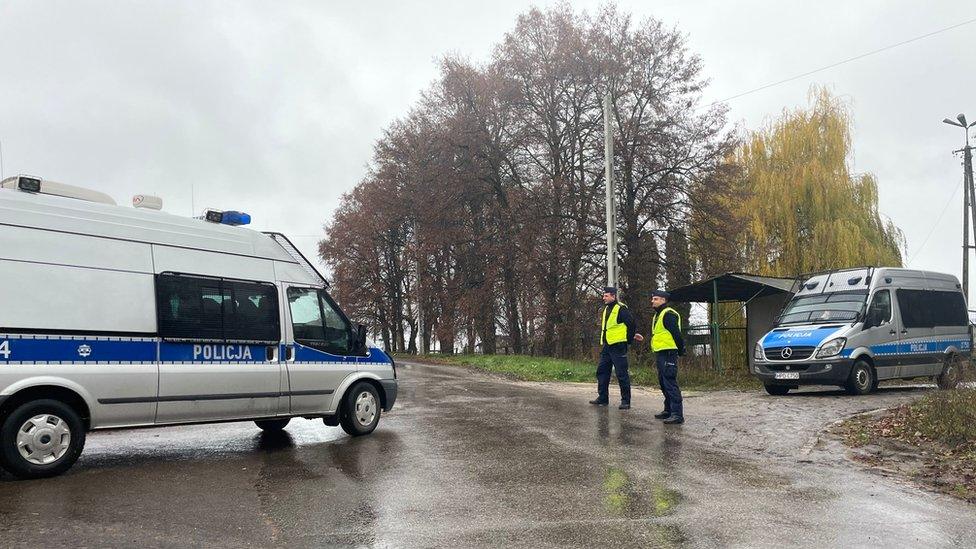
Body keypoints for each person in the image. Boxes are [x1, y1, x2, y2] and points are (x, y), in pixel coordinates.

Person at [589, 287, 637, 410]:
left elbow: (631, 324)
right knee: (602, 371)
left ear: (613, 296)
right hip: (607, 346)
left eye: (606, 296)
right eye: (604, 296)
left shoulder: (621, 309)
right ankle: (603, 398)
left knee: (621, 374)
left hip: (618, 346)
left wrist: (628, 340)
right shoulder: (606, 309)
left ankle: (626, 401)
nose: (603, 298)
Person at [649, 290, 686, 424]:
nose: (653, 301)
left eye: (656, 299)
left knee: (670, 382)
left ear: (664, 300)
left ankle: (677, 414)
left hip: (669, 352)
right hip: (661, 352)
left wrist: (681, 350)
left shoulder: (668, 314)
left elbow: (677, 335)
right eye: (653, 299)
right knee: (663, 383)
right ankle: (668, 410)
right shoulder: (658, 315)